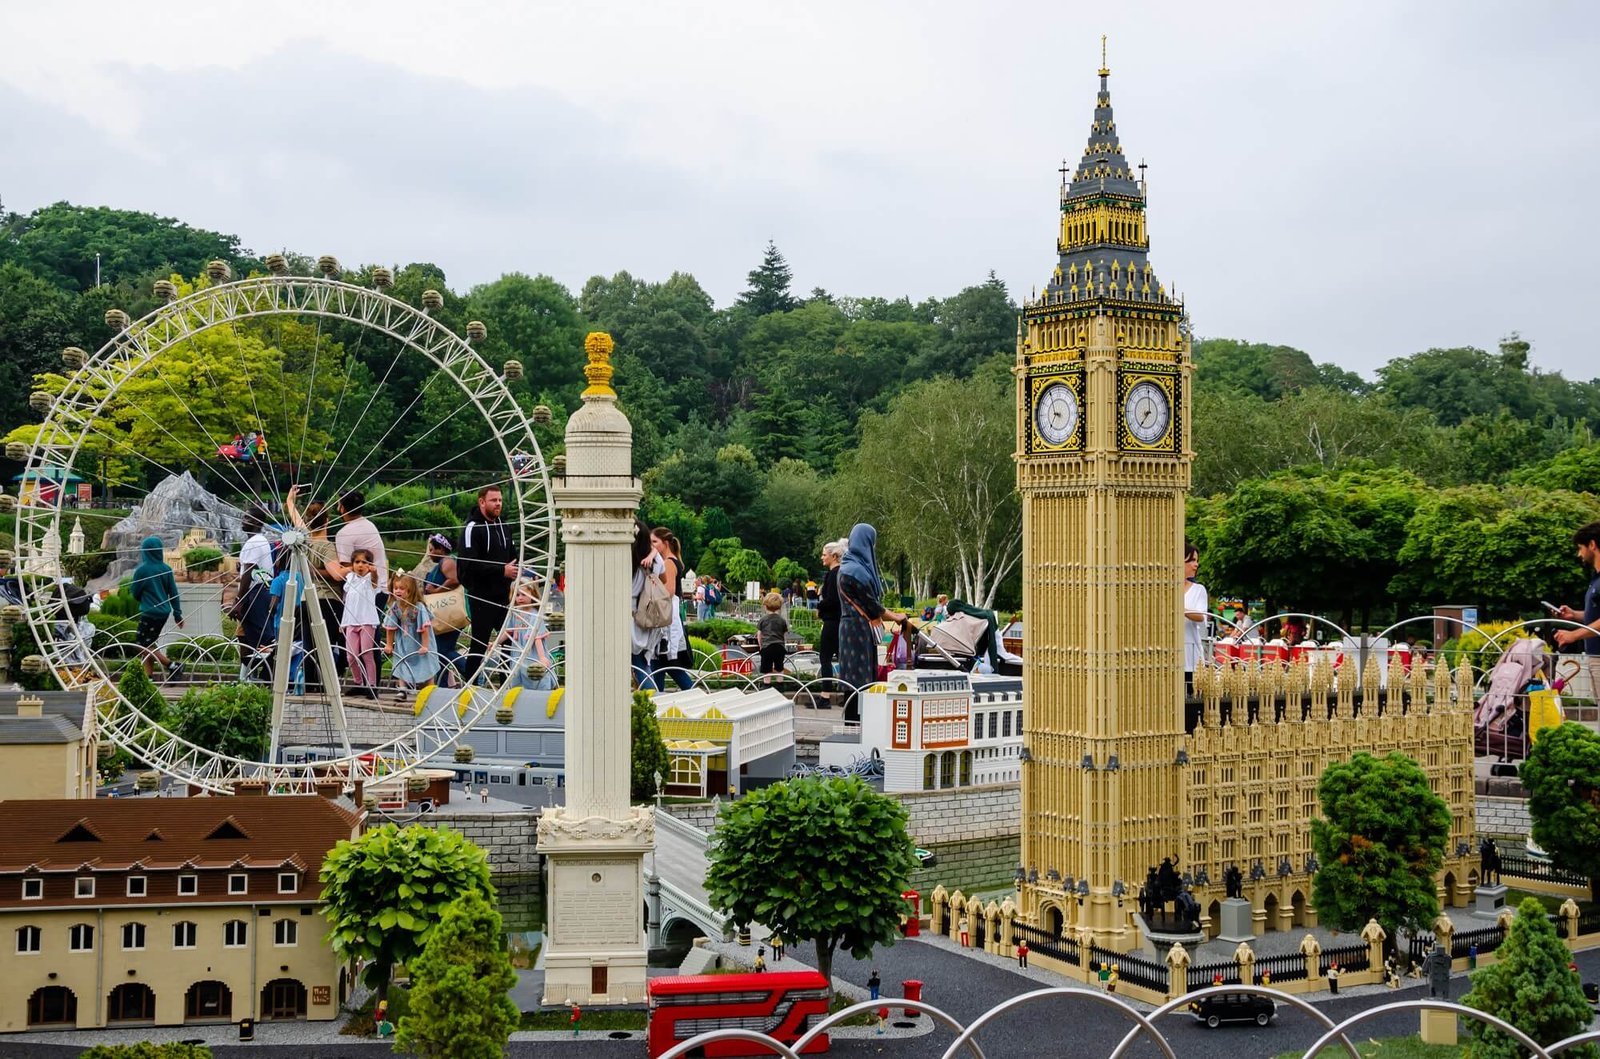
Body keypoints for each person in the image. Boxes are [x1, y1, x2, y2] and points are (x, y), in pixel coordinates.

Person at [836, 524, 908, 723]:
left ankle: (853, 722)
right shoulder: (857, 571)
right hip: (858, 628)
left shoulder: (847, 566)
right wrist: (896, 617)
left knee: (853, 676)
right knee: (860, 678)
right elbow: (871, 605)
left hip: (850, 627)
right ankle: (857, 725)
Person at [458, 485, 516, 679]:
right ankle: (470, 686)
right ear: (482, 502)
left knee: (509, 640)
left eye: (500, 500)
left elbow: (512, 557)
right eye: (493, 500)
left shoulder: (504, 526)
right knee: (479, 643)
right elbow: (469, 564)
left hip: (502, 595)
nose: (498, 503)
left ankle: (505, 684)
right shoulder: (472, 528)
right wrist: (502, 570)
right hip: (481, 596)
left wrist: (514, 570)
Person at [1553, 521, 1600, 697]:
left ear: (1592, 545)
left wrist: (1573, 635)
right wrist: (1575, 615)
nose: (1579, 553)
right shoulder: (1596, 579)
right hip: (1595, 655)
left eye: (1581, 547)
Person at [130, 535, 185, 682]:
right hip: (163, 613)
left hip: (149, 612)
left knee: (140, 644)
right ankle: (148, 677)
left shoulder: (142, 570)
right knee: (150, 643)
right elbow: (173, 593)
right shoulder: (166, 569)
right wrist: (177, 614)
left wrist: (143, 598)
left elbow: (134, 592)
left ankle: (172, 665)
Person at [488, 578, 556, 690]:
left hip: (533, 653)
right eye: (517, 595)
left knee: (536, 676)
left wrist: (542, 657)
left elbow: (537, 638)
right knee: (518, 675)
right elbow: (507, 632)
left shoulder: (535, 615)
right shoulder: (515, 613)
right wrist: (495, 643)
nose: (520, 598)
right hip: (518, 652)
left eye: (523, 594)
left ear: (532, 594)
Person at [233, 506, 276, 675]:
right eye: (244, 517)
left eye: (248, 518)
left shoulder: (254, 542)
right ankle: (251, 678)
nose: (244, 521)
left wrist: (239, 602)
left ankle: (270, 677)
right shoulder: (260, 541)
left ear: (258, 522)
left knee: (263, 639)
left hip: (255, 592)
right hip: (260, 590)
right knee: (250, 637)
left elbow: (249, 574)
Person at [419, 533, 465, 685]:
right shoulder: (441, 564)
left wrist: (435, 591)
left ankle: (470, 671)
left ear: (441, 549)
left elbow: (454, 580)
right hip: (443, 615)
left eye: (432, 549)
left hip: (449, 614)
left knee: (443, 650)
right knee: (440, 651)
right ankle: (443, 685)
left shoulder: (447, 561)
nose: (430, 553)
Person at [651, 527, 695, 690]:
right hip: (667, 619)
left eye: (655, 541)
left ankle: (655, 701)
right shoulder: (671, 561)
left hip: (665, 620)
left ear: (666, 543)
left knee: (664, 665)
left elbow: (668, 591)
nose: (652, 545)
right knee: (663, 665)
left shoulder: (668, 563)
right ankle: (656, 700)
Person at [383, 571, 438, 694]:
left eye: (402, 588)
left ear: (411, 590)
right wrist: (389, 644)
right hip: (403, 641)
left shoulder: (418, 607)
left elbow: (425, 628)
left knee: (425, 662)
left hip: (420, 640)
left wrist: (425, 645)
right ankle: (402, 688)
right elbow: (390, 627)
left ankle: (430, 689)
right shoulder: (395, 607)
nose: (398, 591)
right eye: (395, 588)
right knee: (402, 661)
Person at [631, 520, 669, 690]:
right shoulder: (654, 560)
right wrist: (653, 553)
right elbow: (664, 579)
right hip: (646, 613)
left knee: (637, 663)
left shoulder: (626, 557)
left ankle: (652, 700)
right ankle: (651, 698)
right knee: (641, 662)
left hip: (628, 612)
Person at [341, 549, 382, 696]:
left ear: (369, 565)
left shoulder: (370, 579)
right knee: (351, 655)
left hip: (367, 621)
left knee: (366, 654)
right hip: (351, 621)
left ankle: (372, 685)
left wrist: (374, 572)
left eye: (364, 562)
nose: (360, 565)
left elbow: (375, 582)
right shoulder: (350, 578)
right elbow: (348, 603)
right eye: (357, 562)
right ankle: (358, 682)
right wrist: (344, 623)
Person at [335, 489, 388, 587]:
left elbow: (346, 568)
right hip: (382, 586)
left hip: (364, 591)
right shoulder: (370, 525)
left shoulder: (344, 533)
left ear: (342, 508)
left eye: (338, 505)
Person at [817, 538, 845, 706]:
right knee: (841, 657)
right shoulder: (841, 573)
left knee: (825, 657)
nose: (822, 557)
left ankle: (825, 695)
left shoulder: (833, 574)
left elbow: (833, 599)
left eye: (824, 554)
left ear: (833, 556)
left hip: (832, 620)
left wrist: (820, 605)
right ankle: (845, 693)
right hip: (839, 620)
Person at [944, 598, 1003, 672]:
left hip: (992, 636)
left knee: (1000, 656)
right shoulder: (968, 612)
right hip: (986, 637)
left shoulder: (966, 615)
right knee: (993, 659)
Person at [1183, 541, 1208, 693]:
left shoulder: (1199, 590)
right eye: (1192, 560)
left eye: (1196, 561)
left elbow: (1201, 616)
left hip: (1190, 659)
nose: (1196, 564)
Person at [757, 592, 788, 685]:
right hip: (779, 647)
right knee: (779, 667)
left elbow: (759, 634)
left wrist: (760, 646)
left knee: (767, 669)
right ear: (779, 607)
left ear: (765, 606)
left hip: (767, 647)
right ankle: (780, 685)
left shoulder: (763, 619)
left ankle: (767, 685)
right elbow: (784, 633)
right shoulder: (782, 620)